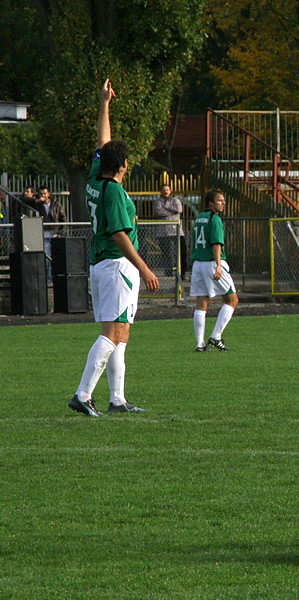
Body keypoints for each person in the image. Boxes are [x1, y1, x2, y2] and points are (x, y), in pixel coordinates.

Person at [68, 79, 160, 417]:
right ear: (122, 165)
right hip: (117, 264)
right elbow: (121, 235)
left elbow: (103, 142)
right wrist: (145, 267)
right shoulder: (116, 193)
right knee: (112, 332)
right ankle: (82, 394)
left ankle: (117, 399)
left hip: (103, 265)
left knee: (121, 332)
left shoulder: (95, 178)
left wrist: (105, 102)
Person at [190, 189, 238, 352]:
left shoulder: (199, 218)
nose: (223, 203)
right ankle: (215, 337)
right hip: (211, 262)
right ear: (210, 202)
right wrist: (218, 265)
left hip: (197, 263)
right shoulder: (214, 218)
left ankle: (199, 343)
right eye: (219, 200)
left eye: (223, 200)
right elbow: (216, 244)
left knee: (201, 303)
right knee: (232, 300)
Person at [153, 183, 188, 277]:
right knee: (166, 253)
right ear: (161, 191)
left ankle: (182, 272)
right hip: (163, 232)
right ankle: (168, 272)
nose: (165, 192)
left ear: (170, 191)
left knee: (182, 251)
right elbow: (158, 212)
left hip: (176, 231)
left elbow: (179, 209)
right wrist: (172, 211)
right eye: (163, 190)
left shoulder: (176, 200)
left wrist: (165, 208)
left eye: (167, 190)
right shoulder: (157, 202)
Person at [34, 185, 67, 265]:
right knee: (47, 256)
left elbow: (63, 219)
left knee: (57, 255)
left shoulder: (56, 205)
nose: (43, 196)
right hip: (45, 233)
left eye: (44, 193)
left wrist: (61, 233)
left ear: (48, 194)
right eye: (41, 194)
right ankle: (48, 275)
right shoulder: (38, 206)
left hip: (55, 233)